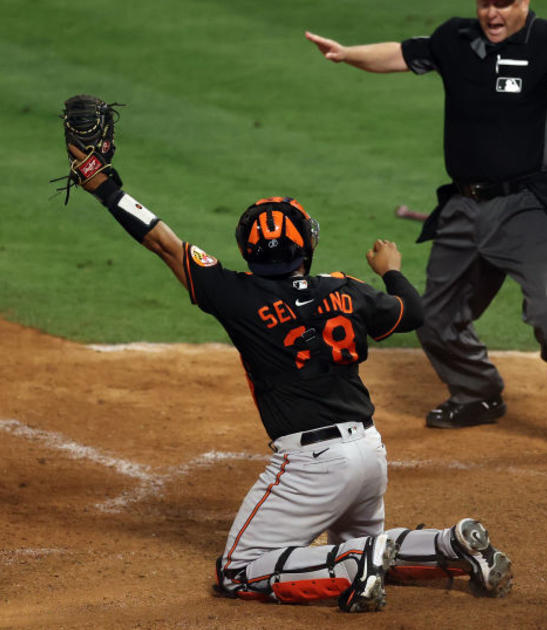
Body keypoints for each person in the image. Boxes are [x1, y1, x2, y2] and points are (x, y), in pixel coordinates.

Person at [66, 143, 513, 612]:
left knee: (238, 570)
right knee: (370, 542)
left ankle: (352, 566)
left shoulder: (235, 295)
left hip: (314, 465)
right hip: (368, 452)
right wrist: (392, 271)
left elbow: (162, 241)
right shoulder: (347, 289)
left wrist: (107, 187)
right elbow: (412, 312)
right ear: (307, 246)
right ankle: (452, 544)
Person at [305, 0, 547, 456]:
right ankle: (478, 392)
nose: (492, 14)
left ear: (524, 2)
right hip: (461, 206)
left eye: (504, 3)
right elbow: (400, 53)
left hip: (528, 206)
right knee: (430, 316)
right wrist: (346, 53)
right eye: (485, 3)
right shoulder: (455, 39)